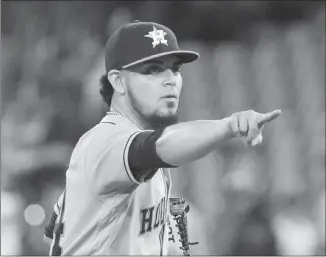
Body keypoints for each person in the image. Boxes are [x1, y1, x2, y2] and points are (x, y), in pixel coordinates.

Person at [43, 20, 281, 255]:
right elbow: (160, 146)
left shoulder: (136, 165)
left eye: (175, 69)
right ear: (118, 81)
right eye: (153, 69)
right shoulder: (108, 140)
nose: (170, 80)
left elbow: (54, 233)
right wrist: (228, 126)